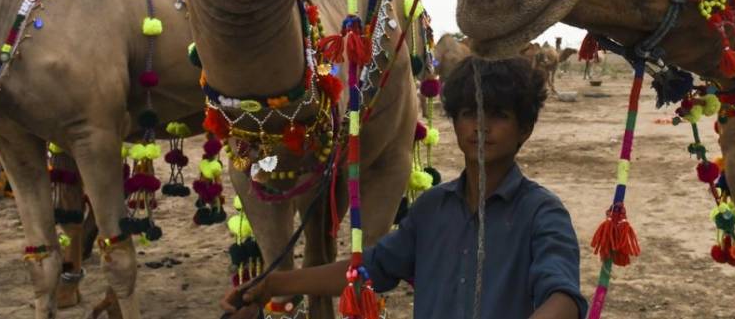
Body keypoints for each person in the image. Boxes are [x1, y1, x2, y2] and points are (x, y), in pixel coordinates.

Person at [222, 56, 588, 319]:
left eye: (499, 115)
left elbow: (562, 297)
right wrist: (273, 284)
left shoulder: (542, 213)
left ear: (524, 129)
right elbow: (369, 270)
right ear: (457, 123)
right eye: (468, 114)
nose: (481, 126)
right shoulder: (431, 210)